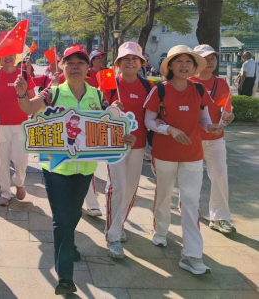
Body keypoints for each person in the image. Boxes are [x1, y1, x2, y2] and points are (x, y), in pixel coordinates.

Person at [15, 45, 136, 295]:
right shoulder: (53, 93)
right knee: (61, 219)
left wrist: (124, 137)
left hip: (84, 169)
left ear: (88, 68)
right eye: (70, 62)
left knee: (73, 214)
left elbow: (111, 128)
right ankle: (65, 278)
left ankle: (68, 245)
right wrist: (22, 93)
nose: (75, 67)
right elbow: (29, 108)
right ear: (63, 66)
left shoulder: (98, 97)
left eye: (81, 62)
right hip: (55, 168)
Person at [144, 45, 222, 275]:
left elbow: (203, 118)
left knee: (190, 201)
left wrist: (210, 127)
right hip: (164, 153)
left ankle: (192, 255)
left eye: (189, 61)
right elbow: (149, 121)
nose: (184, 65)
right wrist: (169, 129)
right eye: (179, 61)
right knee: (164, 194)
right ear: (170, 66)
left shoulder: (198, 89)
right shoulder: (159, 90)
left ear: (194, 66)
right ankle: (160, 231)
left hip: (192, 154)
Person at [103, 42, 154, 258]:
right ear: (118, 63)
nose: (130, 62)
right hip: (114, 146)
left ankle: (118, 224)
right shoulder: (109, 83)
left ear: (141, 63)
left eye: (135, 59)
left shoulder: (149, 87)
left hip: (137, 145)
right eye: (125, 58)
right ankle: (113, 236)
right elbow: (97, 112)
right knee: (117, 187)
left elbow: (155, 116)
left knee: (131, 189)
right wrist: (109, 108)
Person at [190, 45, 236, 234]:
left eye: (213, 58)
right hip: (191, 139)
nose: (210, 61)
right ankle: (188, 211)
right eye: (205, 58)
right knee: (190, 178)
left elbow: (226, 111)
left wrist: (228, 118)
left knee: (219, 175)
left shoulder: (222, 84)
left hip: (215, 138)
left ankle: (220, 217)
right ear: (196, 61)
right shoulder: (187, 82)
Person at [0, 49, 36, 206]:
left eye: (11, 55)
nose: (8, 58)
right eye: (4, 55)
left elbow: (34, 98)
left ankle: (19, 182)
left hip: (20, 125)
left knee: (21, 159)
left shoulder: (24, 75)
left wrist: (35, 114)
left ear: (16, 57)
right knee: (2, 161)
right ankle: (5, 192)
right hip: (0, 127)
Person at [83, 49, 107, 216]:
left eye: (102, 58)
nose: (100, 60)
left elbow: (109, 96)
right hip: (79, 127)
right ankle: (91, 204)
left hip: (98, 124)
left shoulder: (107, 74)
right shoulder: (85, 75)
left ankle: (89, 202)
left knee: (90, 165)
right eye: (97, 58)